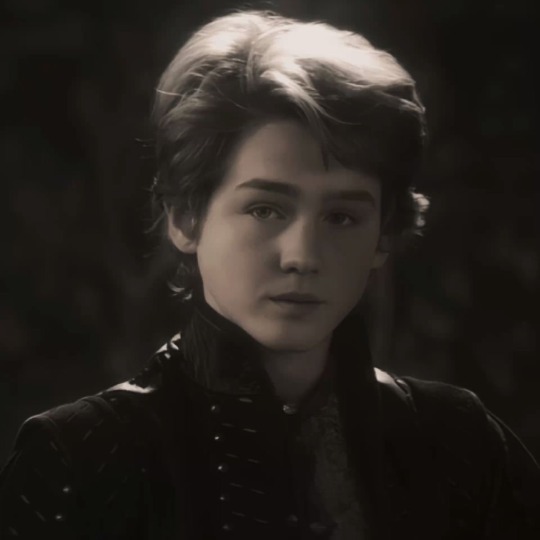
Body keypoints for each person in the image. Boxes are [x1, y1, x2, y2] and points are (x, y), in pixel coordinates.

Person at [1, 9, 538, 540]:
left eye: (341, 217)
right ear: (185, 218)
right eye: (265, 209)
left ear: (383, 235)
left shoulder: (460, 444)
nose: (302, 256)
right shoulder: (80, 457)